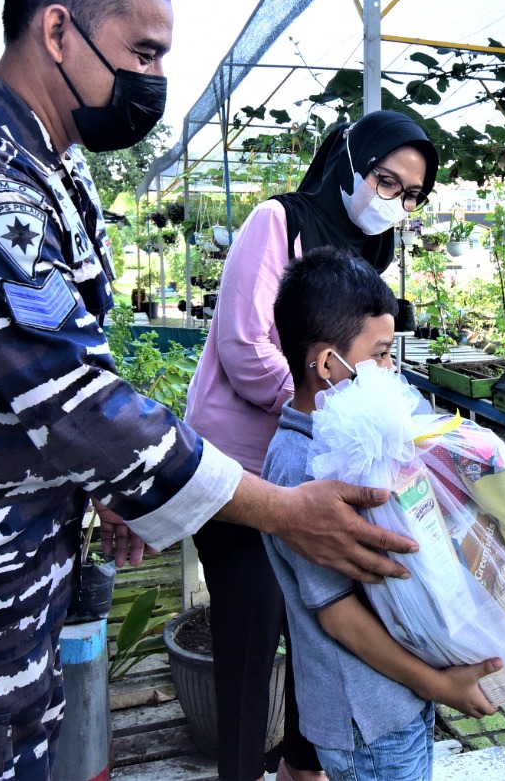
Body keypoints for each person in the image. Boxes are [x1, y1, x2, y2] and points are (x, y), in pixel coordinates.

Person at [0, 0, 415, 780]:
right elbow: (79, 402)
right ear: (57, 29)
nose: (155, 81)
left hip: (9, 576)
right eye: (142, 54)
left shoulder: (50, 170)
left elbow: (64, 369)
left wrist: (107, 490)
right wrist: (287, 511)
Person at [184, 110, 438, 781]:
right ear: (349, 162)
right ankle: (239, 770)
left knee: (320, 624)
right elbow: (244, 346)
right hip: (242, 469)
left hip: (318, 470)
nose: (396, 202)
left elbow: (367, 361)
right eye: (387, 180)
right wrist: (330, 409)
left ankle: (303, 765)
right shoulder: (280, 222)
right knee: (252, 623)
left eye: (411, 194)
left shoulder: (368, 257)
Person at [262, 247, 501, 780]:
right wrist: (436, 685)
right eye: (383, 354)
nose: (393, 371)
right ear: (328, 365)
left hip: (401, 696)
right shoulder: (301, 465)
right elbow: (337, 613)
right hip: (367, 717)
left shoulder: (352, 440)